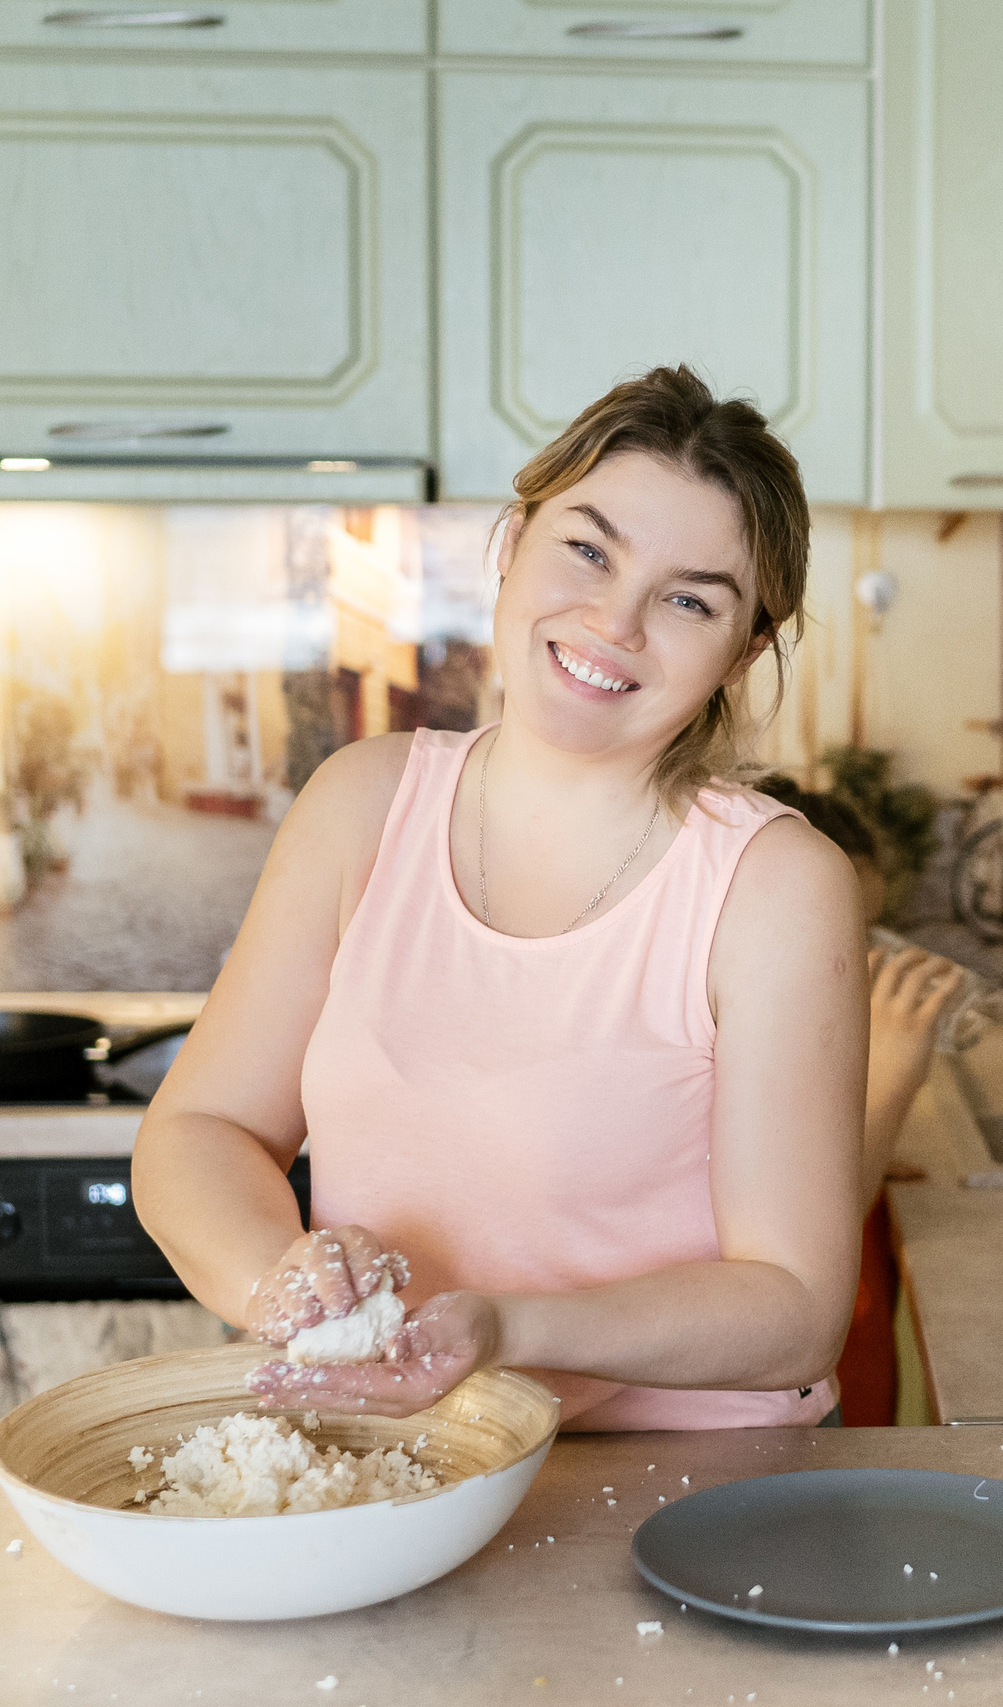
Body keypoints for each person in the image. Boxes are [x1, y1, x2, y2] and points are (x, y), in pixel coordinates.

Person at [131, 367, 869, 1429]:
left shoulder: (775, 888)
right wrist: (284, 1285)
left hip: (684, 1500)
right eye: (587, 548)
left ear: (744, 648)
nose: (614, 620)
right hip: (400, 1473)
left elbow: (794, 1310)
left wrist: (506, 1332)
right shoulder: (362, 805)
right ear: (512, 541)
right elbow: (198, 1130)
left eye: (690, 599)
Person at [754, 778, 967, 1424]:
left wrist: (864, 1134)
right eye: (852, 931)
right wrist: (893, 1088)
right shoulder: (744, 1031)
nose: (870, 956)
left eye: (873, 929)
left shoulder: (804, 1013)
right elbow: (815, 1231)